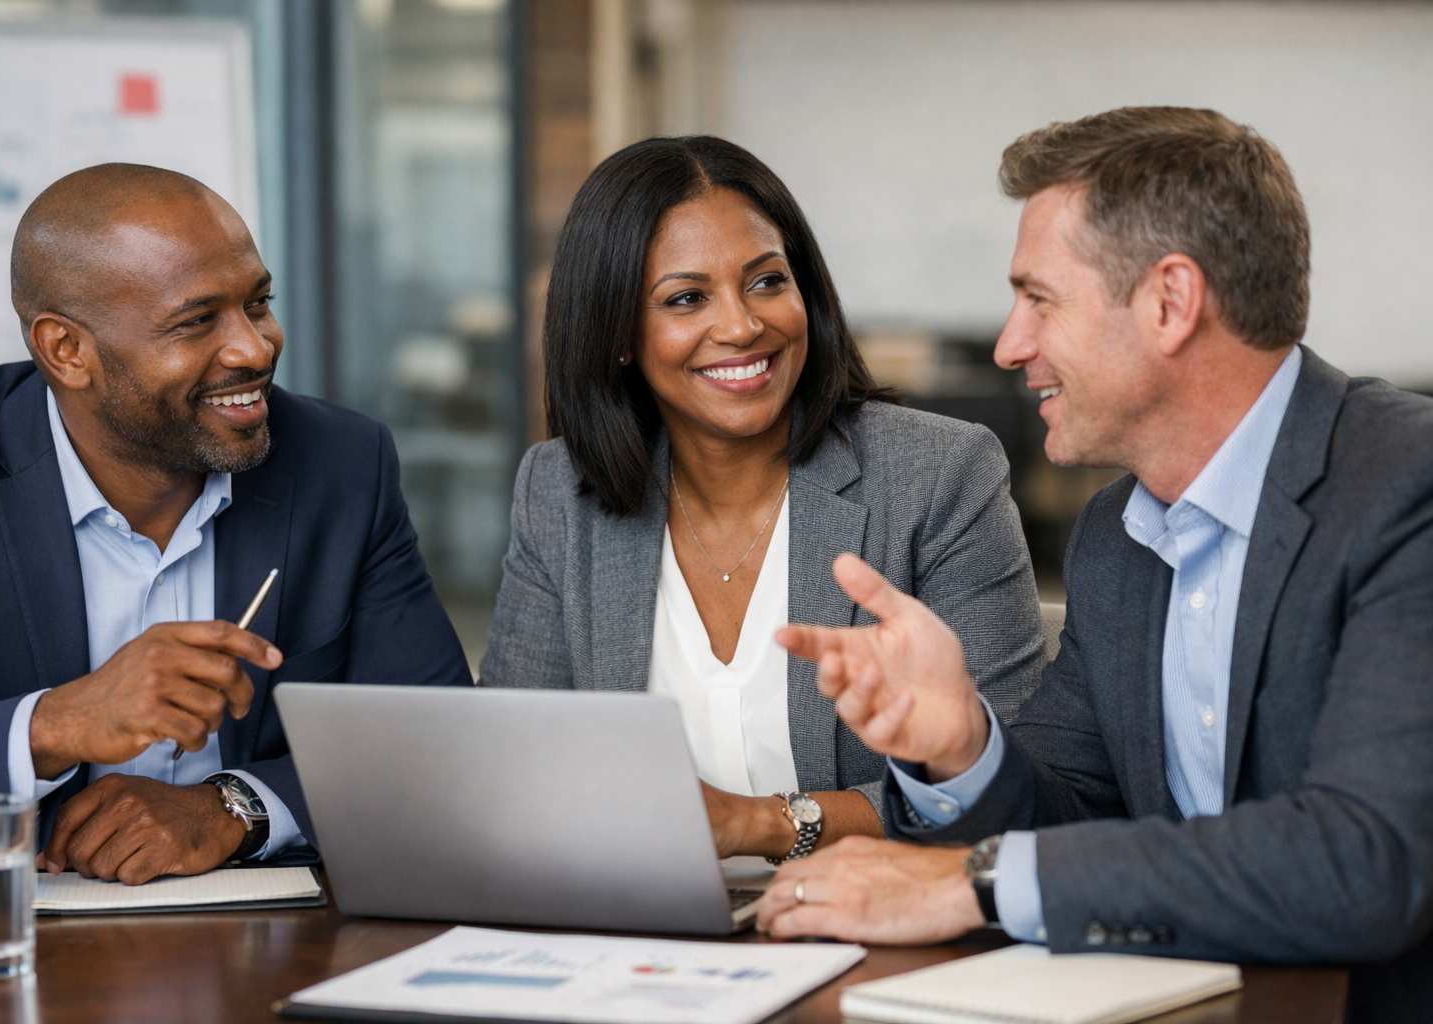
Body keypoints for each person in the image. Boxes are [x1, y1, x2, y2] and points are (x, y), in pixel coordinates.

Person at [755, 108, 1433, 1022]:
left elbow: (1364, 861)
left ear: (1169, 302)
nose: (1009, 345)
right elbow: (1074, 824)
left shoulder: (1407, 490)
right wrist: (959, 748)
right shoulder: (1118, 533)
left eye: (1039, 298)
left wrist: (971, 885)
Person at [0, 163, 472, 881]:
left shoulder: (341, 464)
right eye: (196, 322)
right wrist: (61, 723)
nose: (254, 349)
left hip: (270, 955)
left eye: (258, 303)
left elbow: (440, 748)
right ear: (66, 351)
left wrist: (235, 808)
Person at [479, 136, 1043, 863]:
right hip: (634, 929)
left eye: (767, 282)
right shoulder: (559, 492)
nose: (743, 326)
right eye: (686, 298)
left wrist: (764, 823)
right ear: (617, 333)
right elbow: (515, 764)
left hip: (875, 927)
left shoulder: (937, 474)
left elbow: (1016, 783)